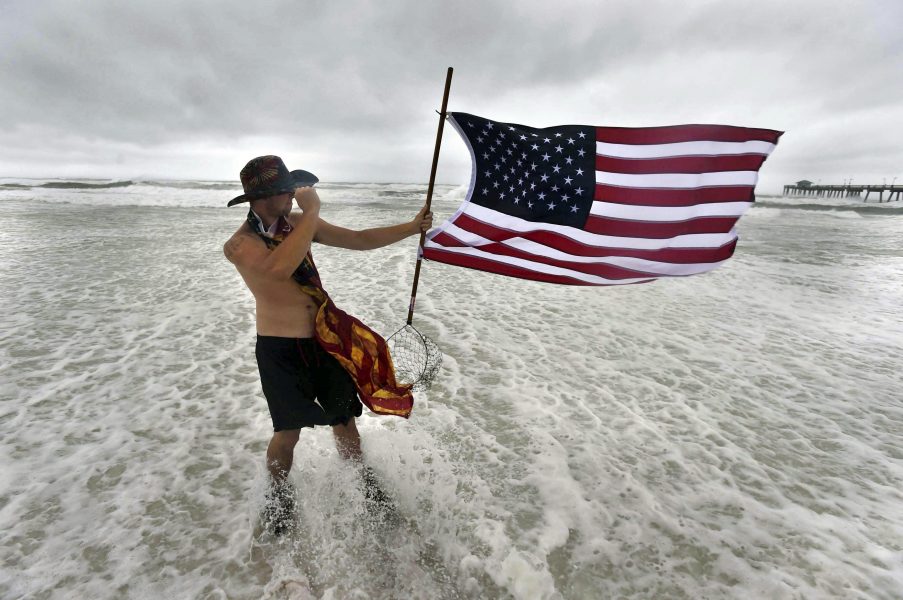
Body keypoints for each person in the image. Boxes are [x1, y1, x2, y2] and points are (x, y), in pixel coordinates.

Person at [223, 155, 432, 533]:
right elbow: (279, 269)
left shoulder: (298, 224)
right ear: (266, 196)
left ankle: (365, 485)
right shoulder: (239, 245)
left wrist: (412, 227)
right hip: (280, 349)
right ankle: (278, 495)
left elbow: (358, 239)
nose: (293, 196)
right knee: (288, 432)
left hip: (322, 339)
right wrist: (313, 210)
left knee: (344, 420)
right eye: (286, 190)